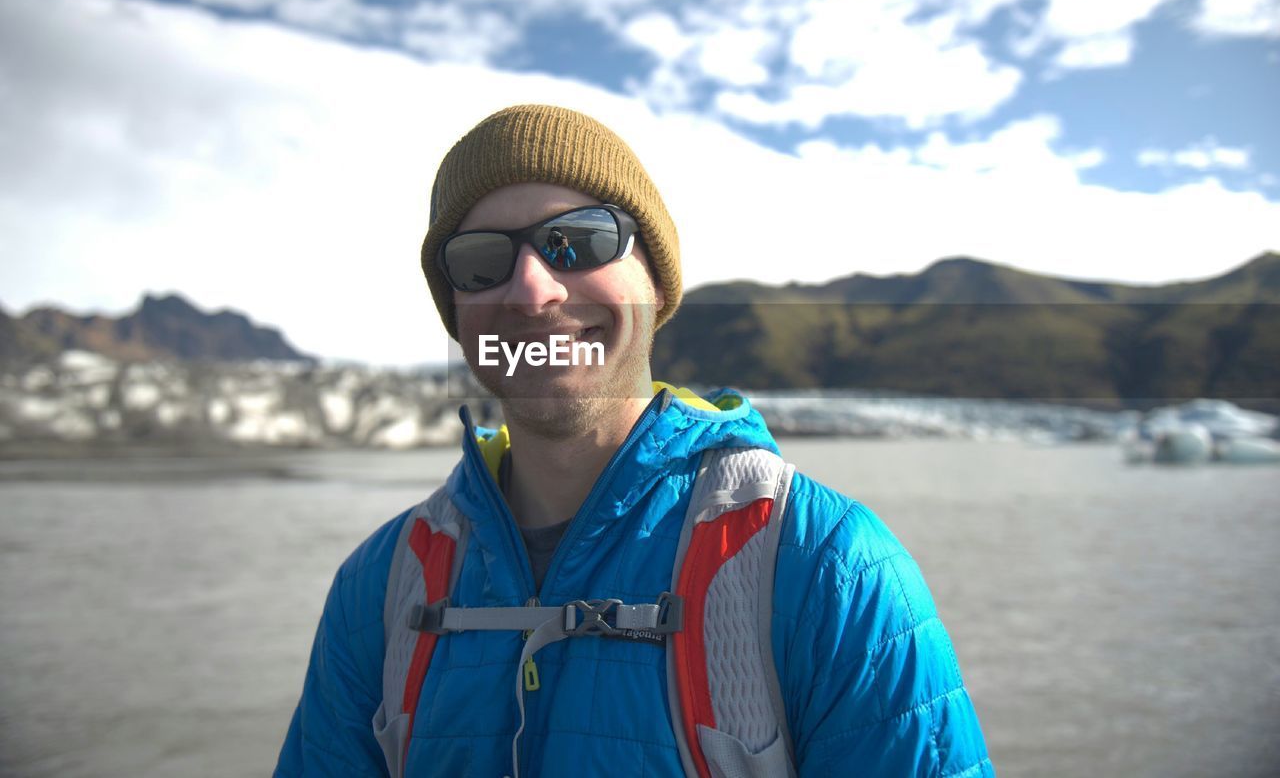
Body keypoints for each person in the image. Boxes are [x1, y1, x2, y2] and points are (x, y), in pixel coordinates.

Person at [275, 104, 994, 777]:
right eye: (479, 261)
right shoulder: (380, 588)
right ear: (456, 307)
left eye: (578, 241)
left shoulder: (826, 567)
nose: (531, 291)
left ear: (653, 279)